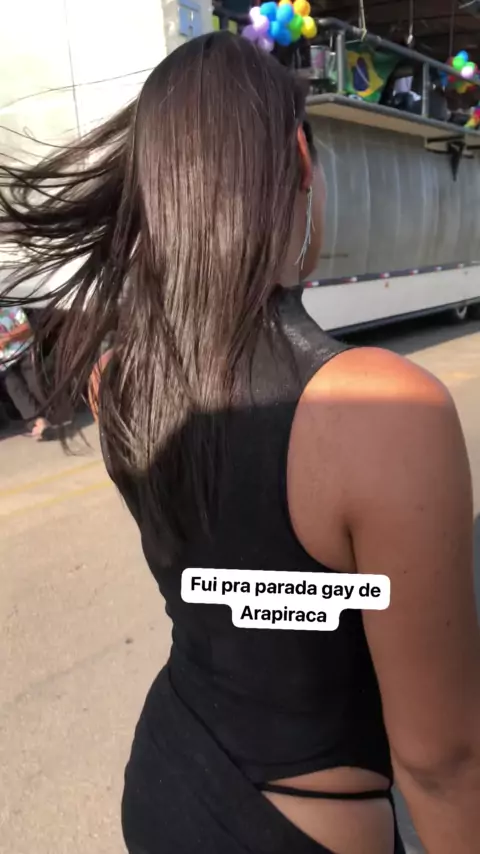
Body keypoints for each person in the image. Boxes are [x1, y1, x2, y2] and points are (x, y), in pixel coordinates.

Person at [1, 31, 479, 854]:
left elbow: (249, 583)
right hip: (295, 823)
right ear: (302, 158)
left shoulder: (116, 379)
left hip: (167, 774)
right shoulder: (380, 408)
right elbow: (441, 763)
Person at [0, 304, 52, 438]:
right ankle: (39, 422)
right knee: (16, 390)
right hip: (4, 364)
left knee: (36, 385)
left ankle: (43, 420)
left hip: (25, 353)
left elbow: (27, 328)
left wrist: (8, 337)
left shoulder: (10, 308)